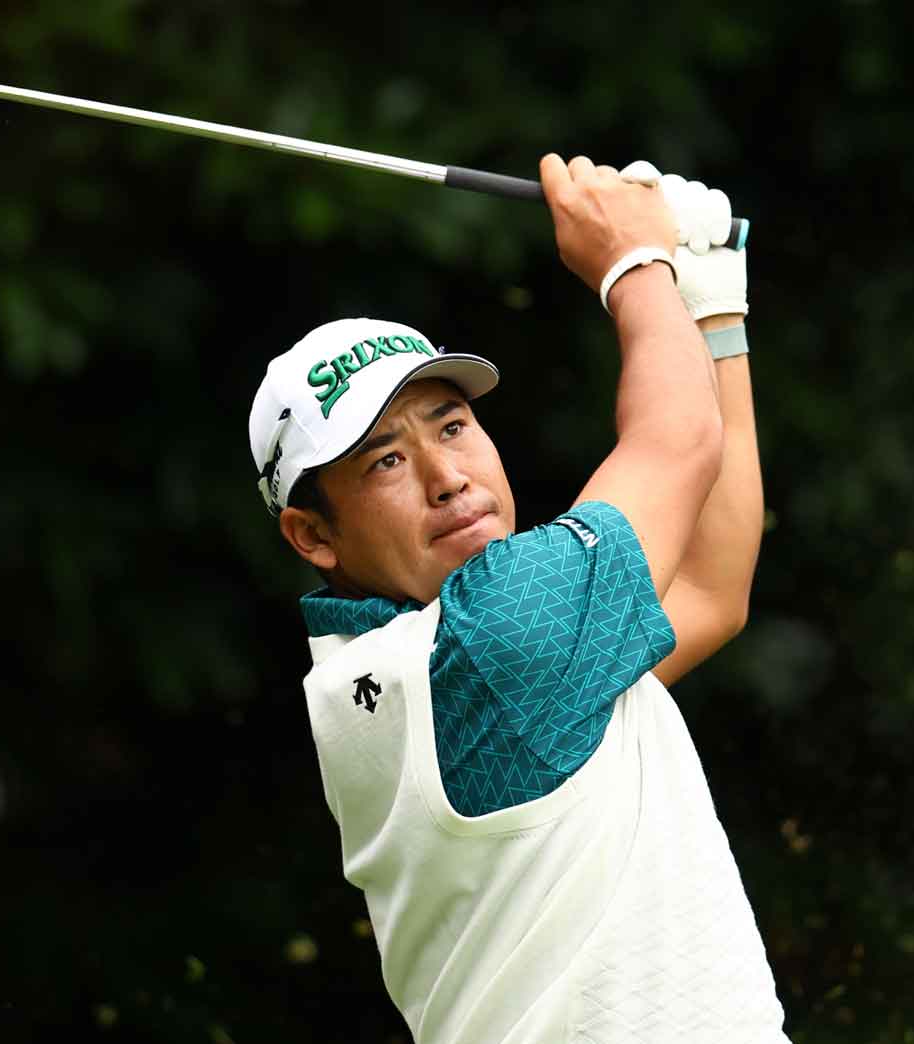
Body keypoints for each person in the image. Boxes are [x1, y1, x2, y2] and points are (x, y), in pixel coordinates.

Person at [247, 154, 788, 1043]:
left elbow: (707, 588)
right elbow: (679, 440)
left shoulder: (377, 677)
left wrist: (711, 300)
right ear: (313, 535)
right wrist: (633, 264)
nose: (447, 476)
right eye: (386, 460)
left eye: (452, 426)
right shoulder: (492, 640)